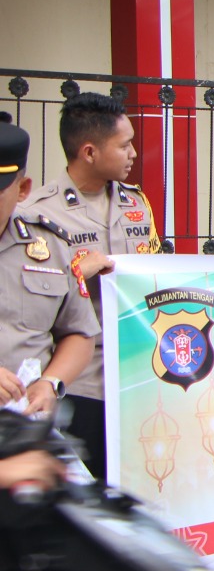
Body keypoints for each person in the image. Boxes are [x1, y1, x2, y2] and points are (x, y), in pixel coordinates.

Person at [20, 93, 157, 479]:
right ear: (90, 152)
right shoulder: (37, 214)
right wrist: (79, 272)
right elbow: (27, 295)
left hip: (140, 372)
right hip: (81, 380)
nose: (133, 153)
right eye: (124, 145)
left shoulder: (136, 204)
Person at [0, 122, 99, 428]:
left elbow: (79, 332)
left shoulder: (50, 246)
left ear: (22, 189)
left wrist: (50, 383)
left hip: (23, 426)